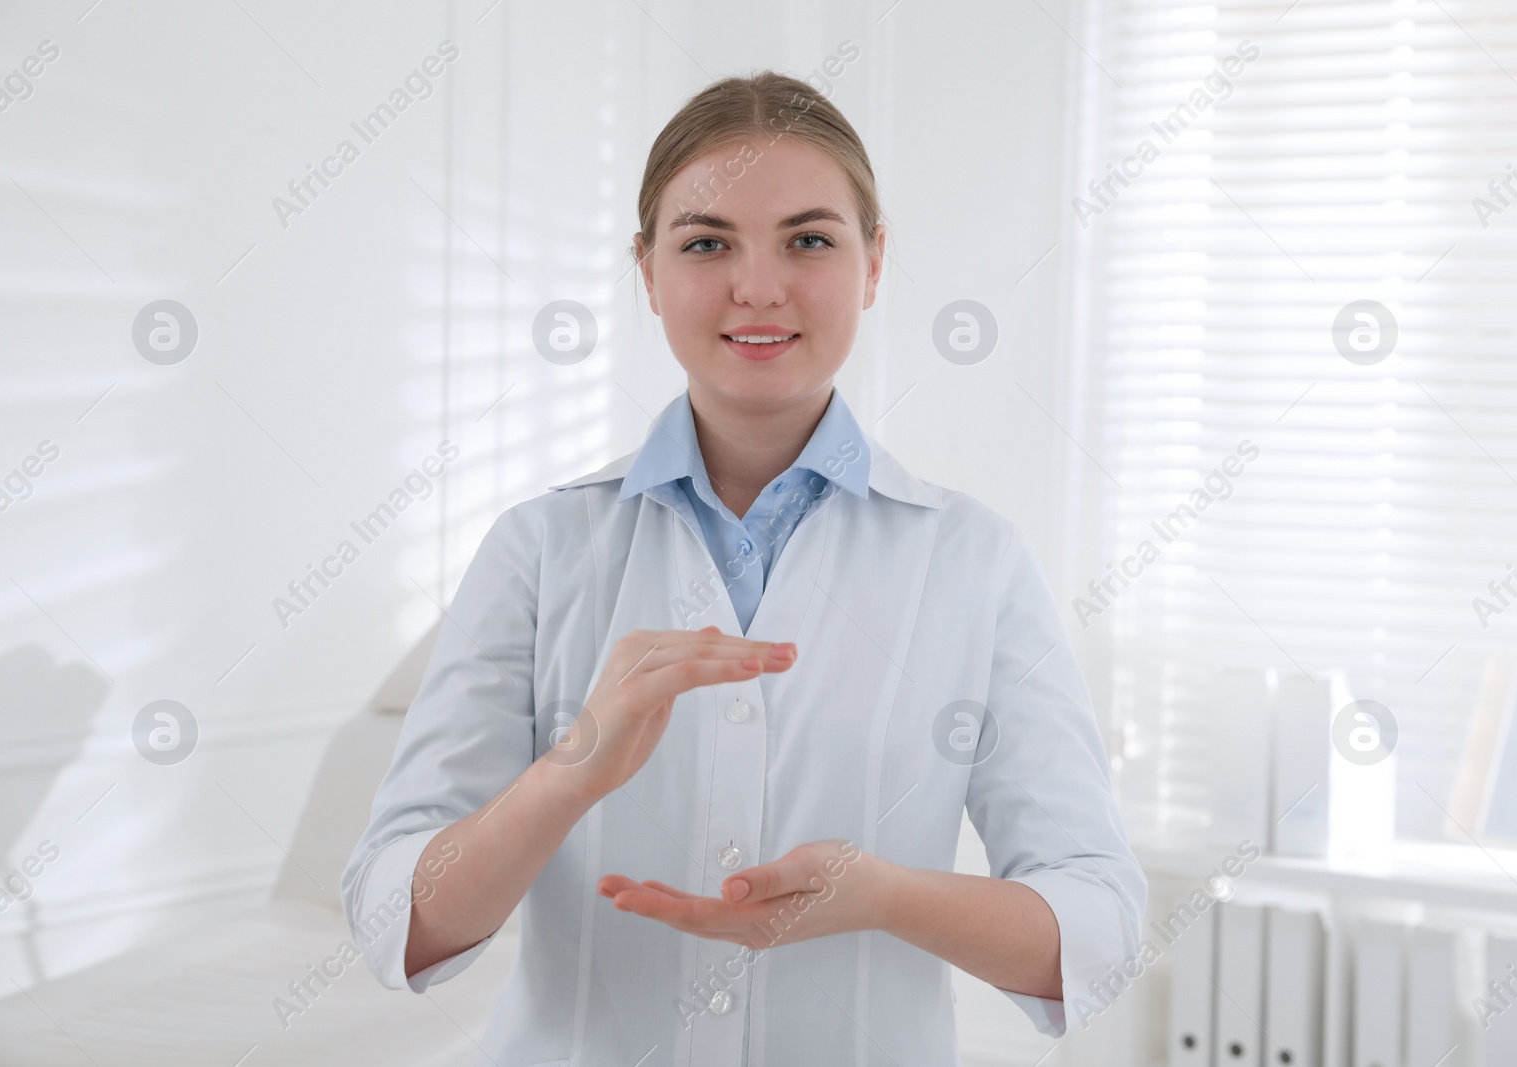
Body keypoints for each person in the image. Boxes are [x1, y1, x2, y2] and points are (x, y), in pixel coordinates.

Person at [341, 69, 1146, 1064]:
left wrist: (880, 896)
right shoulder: (538, 548)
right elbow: (398, 920)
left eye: (808, 239)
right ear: (646, 270)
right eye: (706, 242)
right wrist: (570, 770)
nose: (757, 287)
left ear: (874, 261)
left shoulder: (974, 560)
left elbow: (1098, 926)